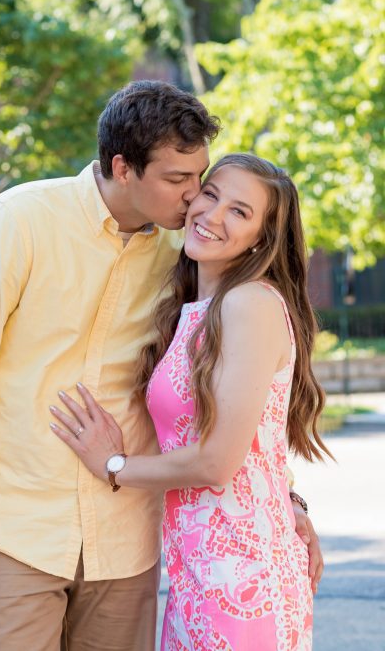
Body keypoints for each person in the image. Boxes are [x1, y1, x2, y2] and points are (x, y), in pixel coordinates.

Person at [0, 81, 322, 649]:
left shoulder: (187, 255)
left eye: (199, 178)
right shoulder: (17, 223)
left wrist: (288, 500)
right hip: (18, 534)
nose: (194, 198)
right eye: (178, 181)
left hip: (126, 547)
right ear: (123, 168)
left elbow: (237, 405)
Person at [52, 154, 329, 650]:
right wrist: (291, 499)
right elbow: (255, 441)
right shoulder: (201, 309)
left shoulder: (249, 304)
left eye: (240, 212)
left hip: (243, 579)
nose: (214, 215)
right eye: (212, 193)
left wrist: (113, 465)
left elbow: (217, 462)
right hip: (200, 573)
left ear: (262, 239)